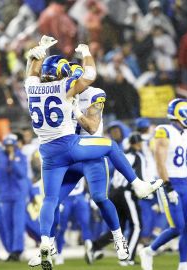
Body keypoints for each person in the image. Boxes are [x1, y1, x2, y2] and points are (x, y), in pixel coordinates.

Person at [25, 35, 162, 269]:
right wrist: (86, 54)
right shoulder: (65, 86)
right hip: (70, 150)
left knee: (98, 197)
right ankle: (48, 245)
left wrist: (37, 54)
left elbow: (91, 127)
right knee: (54, 199)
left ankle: (119, 240)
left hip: (79, 152)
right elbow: (86, 76)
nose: (76, 82)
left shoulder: (85, 93)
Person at [140, 98, 187, 270]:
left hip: (184, 183)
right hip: (168, 183)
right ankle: (148, 251)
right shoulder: (163, 131)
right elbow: (160, 162)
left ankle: (183, 265)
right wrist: (168, 185)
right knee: (177, 226)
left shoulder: (185, 133)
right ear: (182, 113)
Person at [92, 132, 145, 266]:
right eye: (140, 143)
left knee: (118, 227)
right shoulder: (138, 157)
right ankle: (129, 257)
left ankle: (96, 245)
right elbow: (139, 176)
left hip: (114, 192)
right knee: (137, 226)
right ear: (137, 144)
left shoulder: (122, 154)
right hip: (126, 192)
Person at [0, 135, 29, 261]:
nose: (9, 148)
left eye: (11, 145)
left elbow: (22, 174)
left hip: (18, 195)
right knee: (6, 225)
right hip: (4, 195)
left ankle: (17, 250)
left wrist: (13, 161)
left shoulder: (21, 156)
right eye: (7, 146)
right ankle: (10, 250)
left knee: (18, 224)